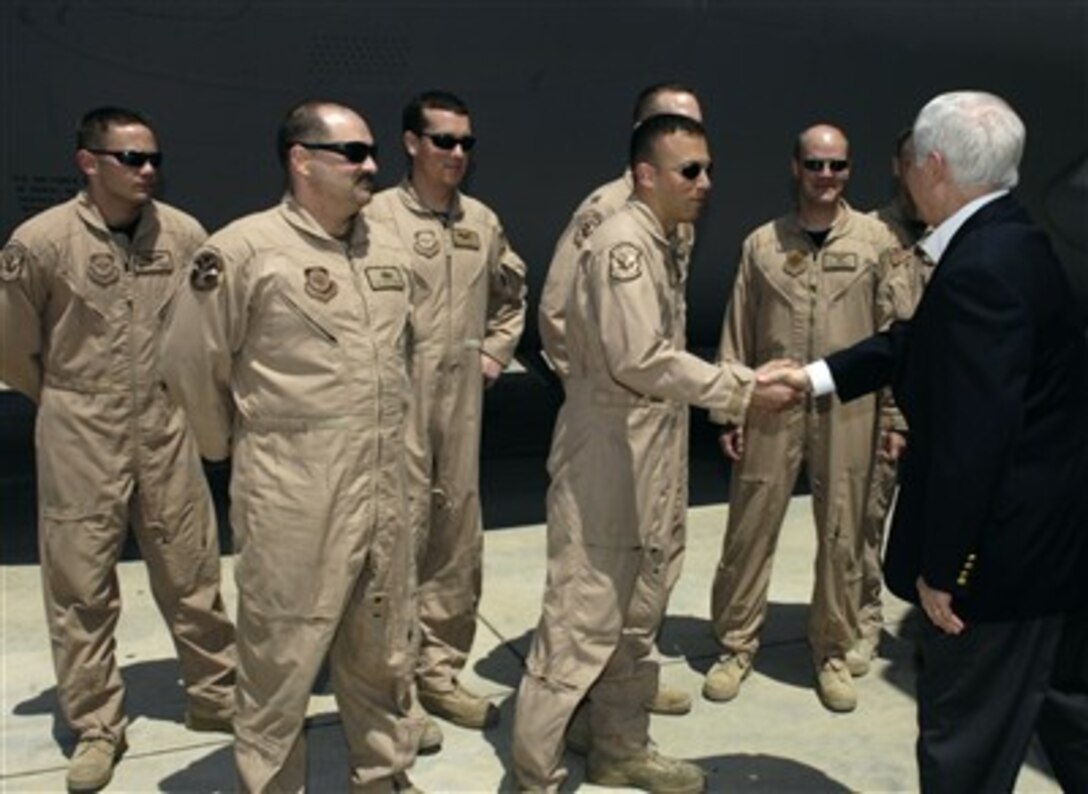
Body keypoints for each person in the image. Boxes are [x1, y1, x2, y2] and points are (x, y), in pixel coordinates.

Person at [773, 90, 1088, 792]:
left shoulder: (982, 267)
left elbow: (975, 442)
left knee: (963, 747)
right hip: (1053, 552)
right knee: (1067, 715)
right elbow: (928, 345)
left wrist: (949, 571)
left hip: (1001, 569)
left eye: (912, 155)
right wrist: (816, 376)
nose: (905, 169)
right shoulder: (1012, 240)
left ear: (936, 166)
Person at [511, 113, 799, 793]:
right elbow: (639, 359)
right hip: (609, 448)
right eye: (689, 171)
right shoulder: (623, 246)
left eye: (708, 170)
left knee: (636, 616)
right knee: (581, 621)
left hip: (649, 442)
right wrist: (743, 387)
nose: (705, 183)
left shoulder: (664, 238)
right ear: (646, 175)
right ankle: (535, 775)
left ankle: (618, 746)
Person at [162, 101, 421, 792]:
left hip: (382, 488)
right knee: (280, 660)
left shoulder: (386, 251)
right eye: (354, 153)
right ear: (301, 160)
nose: (372, 165)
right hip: (295, 494)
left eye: (372, 152)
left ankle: (383, 774)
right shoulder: (242, 251)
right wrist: (228, 450)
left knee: (381, 649)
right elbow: (189, 360)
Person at [0, 106, 236, 792]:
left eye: (153, 158)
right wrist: (68, 402)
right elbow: (13, 348)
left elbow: (207, 322)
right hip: (81, 424)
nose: (147, 171)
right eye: (130, 159)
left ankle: (213, 693)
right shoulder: (40, 243)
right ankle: (98, 726)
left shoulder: (184, 233)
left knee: (192, 570)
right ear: (88, 163)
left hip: (165, 422)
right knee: (81, 586)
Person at [704, 124, 899, 712]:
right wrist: (728, 408)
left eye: (837, 165)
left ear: (849, 171)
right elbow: (737, 329)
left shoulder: (875, 242)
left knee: (842, 530)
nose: (826, 176)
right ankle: (736, 645)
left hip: (850, 407)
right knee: (750, 525)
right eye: (815, 164)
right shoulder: (762, 244)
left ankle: (832, 651)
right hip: (772, 405)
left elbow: (896, 336)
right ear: (795, 168)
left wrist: (895, 417)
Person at [536, 81, 703, 721]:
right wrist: (601, 398)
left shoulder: (672, 216)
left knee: (658, 558)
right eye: (671, 126)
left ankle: (624, 688)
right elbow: (557, 312)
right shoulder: (608, 216)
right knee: (604, 574)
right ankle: (593, 702)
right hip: (624, 420)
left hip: (664, 415)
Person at [365, 90, 527, 741]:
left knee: (456, 537)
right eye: (443, 141)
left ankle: (439, 670)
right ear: (411, 143)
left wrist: (494, 352)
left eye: (466, 142)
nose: (456, 153)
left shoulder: (481, 222)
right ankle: (391, 688)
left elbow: (511, 292)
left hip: (460, 405)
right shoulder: (373, 219)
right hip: (392, 405)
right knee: (393, 542)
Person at [849, 128, 934, 676]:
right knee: (866, 523)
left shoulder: (959, 236)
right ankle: (863, 624)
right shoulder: (874, 237)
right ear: (897, 167)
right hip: (889, 410)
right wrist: (893, 417)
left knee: (938, 527)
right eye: (911, 163)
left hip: (944, 411)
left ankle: (935, 628)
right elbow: (879, 336)